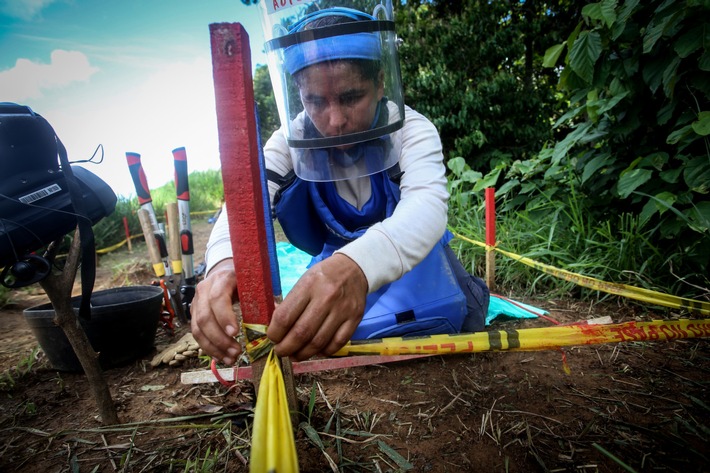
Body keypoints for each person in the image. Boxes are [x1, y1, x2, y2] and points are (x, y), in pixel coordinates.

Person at [191, 5, 489, 364]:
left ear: (380, 83)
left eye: (350, 97)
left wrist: (356, 267)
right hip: (333, 266)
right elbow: (243, 207)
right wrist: (224, 264)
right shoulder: (289, 141)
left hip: (413, 260)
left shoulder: (410, 129)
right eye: (314, 101)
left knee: (454, 315)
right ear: (299, 95)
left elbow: (427, 208)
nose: (334, 121)